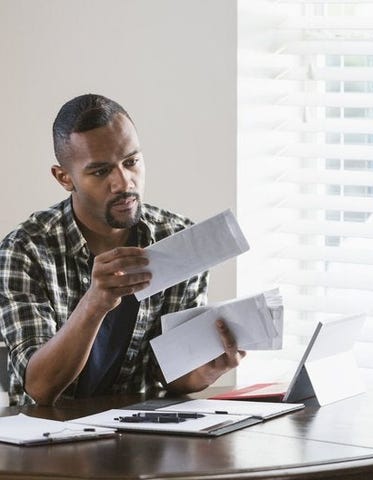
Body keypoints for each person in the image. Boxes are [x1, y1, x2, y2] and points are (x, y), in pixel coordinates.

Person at [0, 94, 245, 406]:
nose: (123, 182)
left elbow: (170, 375)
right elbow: (39, 388)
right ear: (65, 178)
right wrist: (94, 303)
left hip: (143, 435)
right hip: (49, 439)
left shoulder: (176, 237)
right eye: (101, 171)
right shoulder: (24, 251)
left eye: (131, 162)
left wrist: (209, 369)